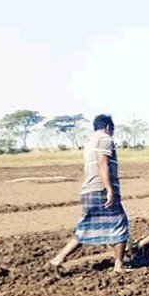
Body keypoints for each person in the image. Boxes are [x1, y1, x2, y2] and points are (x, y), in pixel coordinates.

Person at [50, 114, 129, 272]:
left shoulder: (89, 143)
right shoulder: (105, 139)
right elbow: (102, 163)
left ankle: (59, 258)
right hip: (101, 189)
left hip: (88, 190)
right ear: (108, 127)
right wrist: (109, 189)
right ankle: (119, 265)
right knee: (120, 224)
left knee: (86, 227)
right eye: (112, 129)